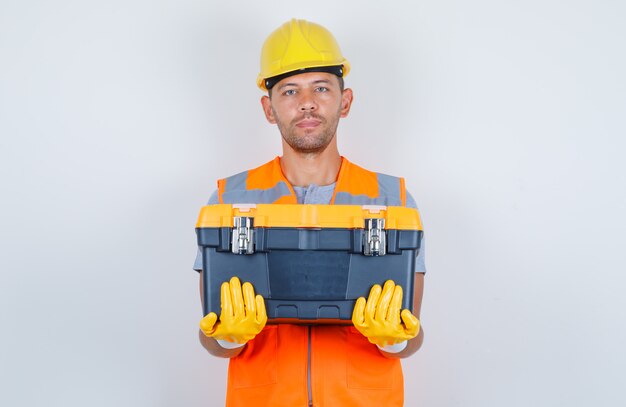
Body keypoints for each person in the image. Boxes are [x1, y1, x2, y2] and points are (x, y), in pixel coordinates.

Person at [193, 18, 426, 407]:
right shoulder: (229, 201)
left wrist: (396, 337)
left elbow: (412, 336)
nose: (307, 102)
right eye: (289, 91)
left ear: (345, 100)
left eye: (321, 87)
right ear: (269, 109)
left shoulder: (392, 200)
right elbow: (211, 340)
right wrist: (227, 336)